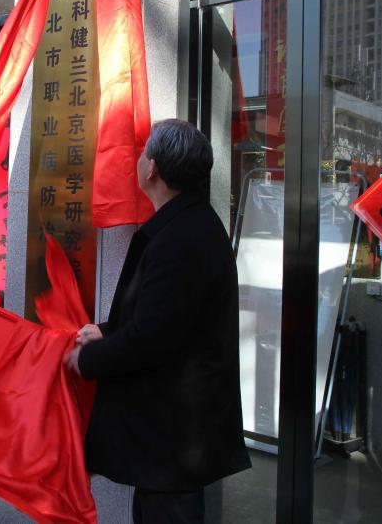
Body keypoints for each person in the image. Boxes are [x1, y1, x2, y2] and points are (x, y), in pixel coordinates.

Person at [65, 119, 250, 524]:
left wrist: (87, 360)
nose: (139, 159)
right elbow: (163, 316)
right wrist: (106, 331)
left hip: (173, 438)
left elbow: (151, 336)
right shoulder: (188, 226)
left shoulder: (181, 238)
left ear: (152, 169)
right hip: (171, 435)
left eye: (143, 152)